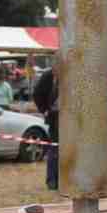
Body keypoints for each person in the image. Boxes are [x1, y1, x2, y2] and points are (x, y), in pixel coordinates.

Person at [32, 60, 59, 191]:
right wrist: (44, 110)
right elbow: (37, 94)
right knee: (54, 150)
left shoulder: (71, 74)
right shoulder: (48, 76)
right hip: (54, 118)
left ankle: (62, 178)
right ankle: (52, 181)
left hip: (69, 119)